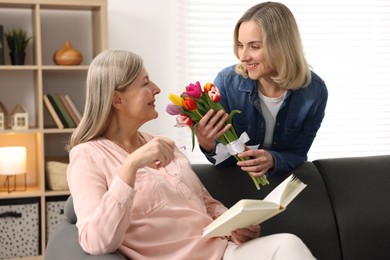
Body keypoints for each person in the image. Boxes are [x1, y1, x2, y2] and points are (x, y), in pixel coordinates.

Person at [66, 49, 315, 259]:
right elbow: (96, 241)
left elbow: (204, 203)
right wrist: (130, 166)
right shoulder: (87, 156)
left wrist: (233, 226)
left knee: (287, 245)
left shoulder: (162, 143)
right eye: (144, 83)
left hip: (222, 252)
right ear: (117, 100)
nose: (156, 88)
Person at [195, 2, 328, 178]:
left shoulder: (314, 92)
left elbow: (298, 154)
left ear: (282, 46)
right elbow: (225, 160)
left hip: (282, 184)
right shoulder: (227, 83)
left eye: (254, 46)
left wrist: (273, 160)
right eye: (241, 45)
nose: (243, 56)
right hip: (237, 184)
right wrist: (207, 144)